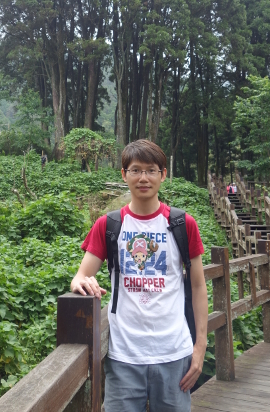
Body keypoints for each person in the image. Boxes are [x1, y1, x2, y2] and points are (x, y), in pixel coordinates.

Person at [70, 139, 208, 412]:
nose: (143, 178)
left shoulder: (182, 224)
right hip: (124, 356)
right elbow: (80, 275)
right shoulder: (109, 225)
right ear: (124, 174)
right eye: (135, 170)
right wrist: (81, 282)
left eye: (151, 170)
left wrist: (200, 347)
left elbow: (198, 286)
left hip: (174, 353)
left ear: (163, 174)